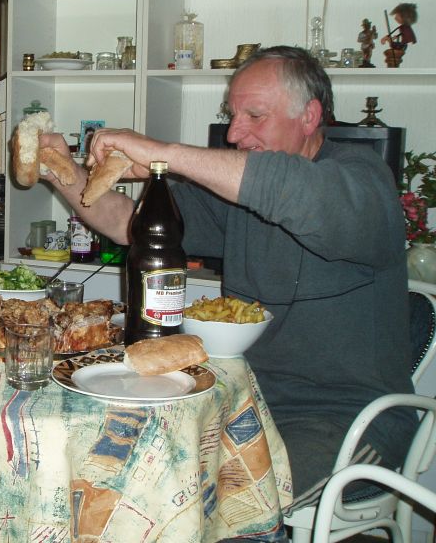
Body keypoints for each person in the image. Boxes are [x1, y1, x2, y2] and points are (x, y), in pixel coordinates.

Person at [37, 46, 416, 516]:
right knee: (121, 476)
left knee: (224, 505)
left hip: (346, 420)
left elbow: (288, 189)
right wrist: (62, 170)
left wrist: (165, 155)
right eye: (232, 116)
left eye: (254, 115)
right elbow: (127, 223)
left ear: (309, 116)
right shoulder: (237, 198)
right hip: (239, 403)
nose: (235, 133)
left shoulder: (363, 179)